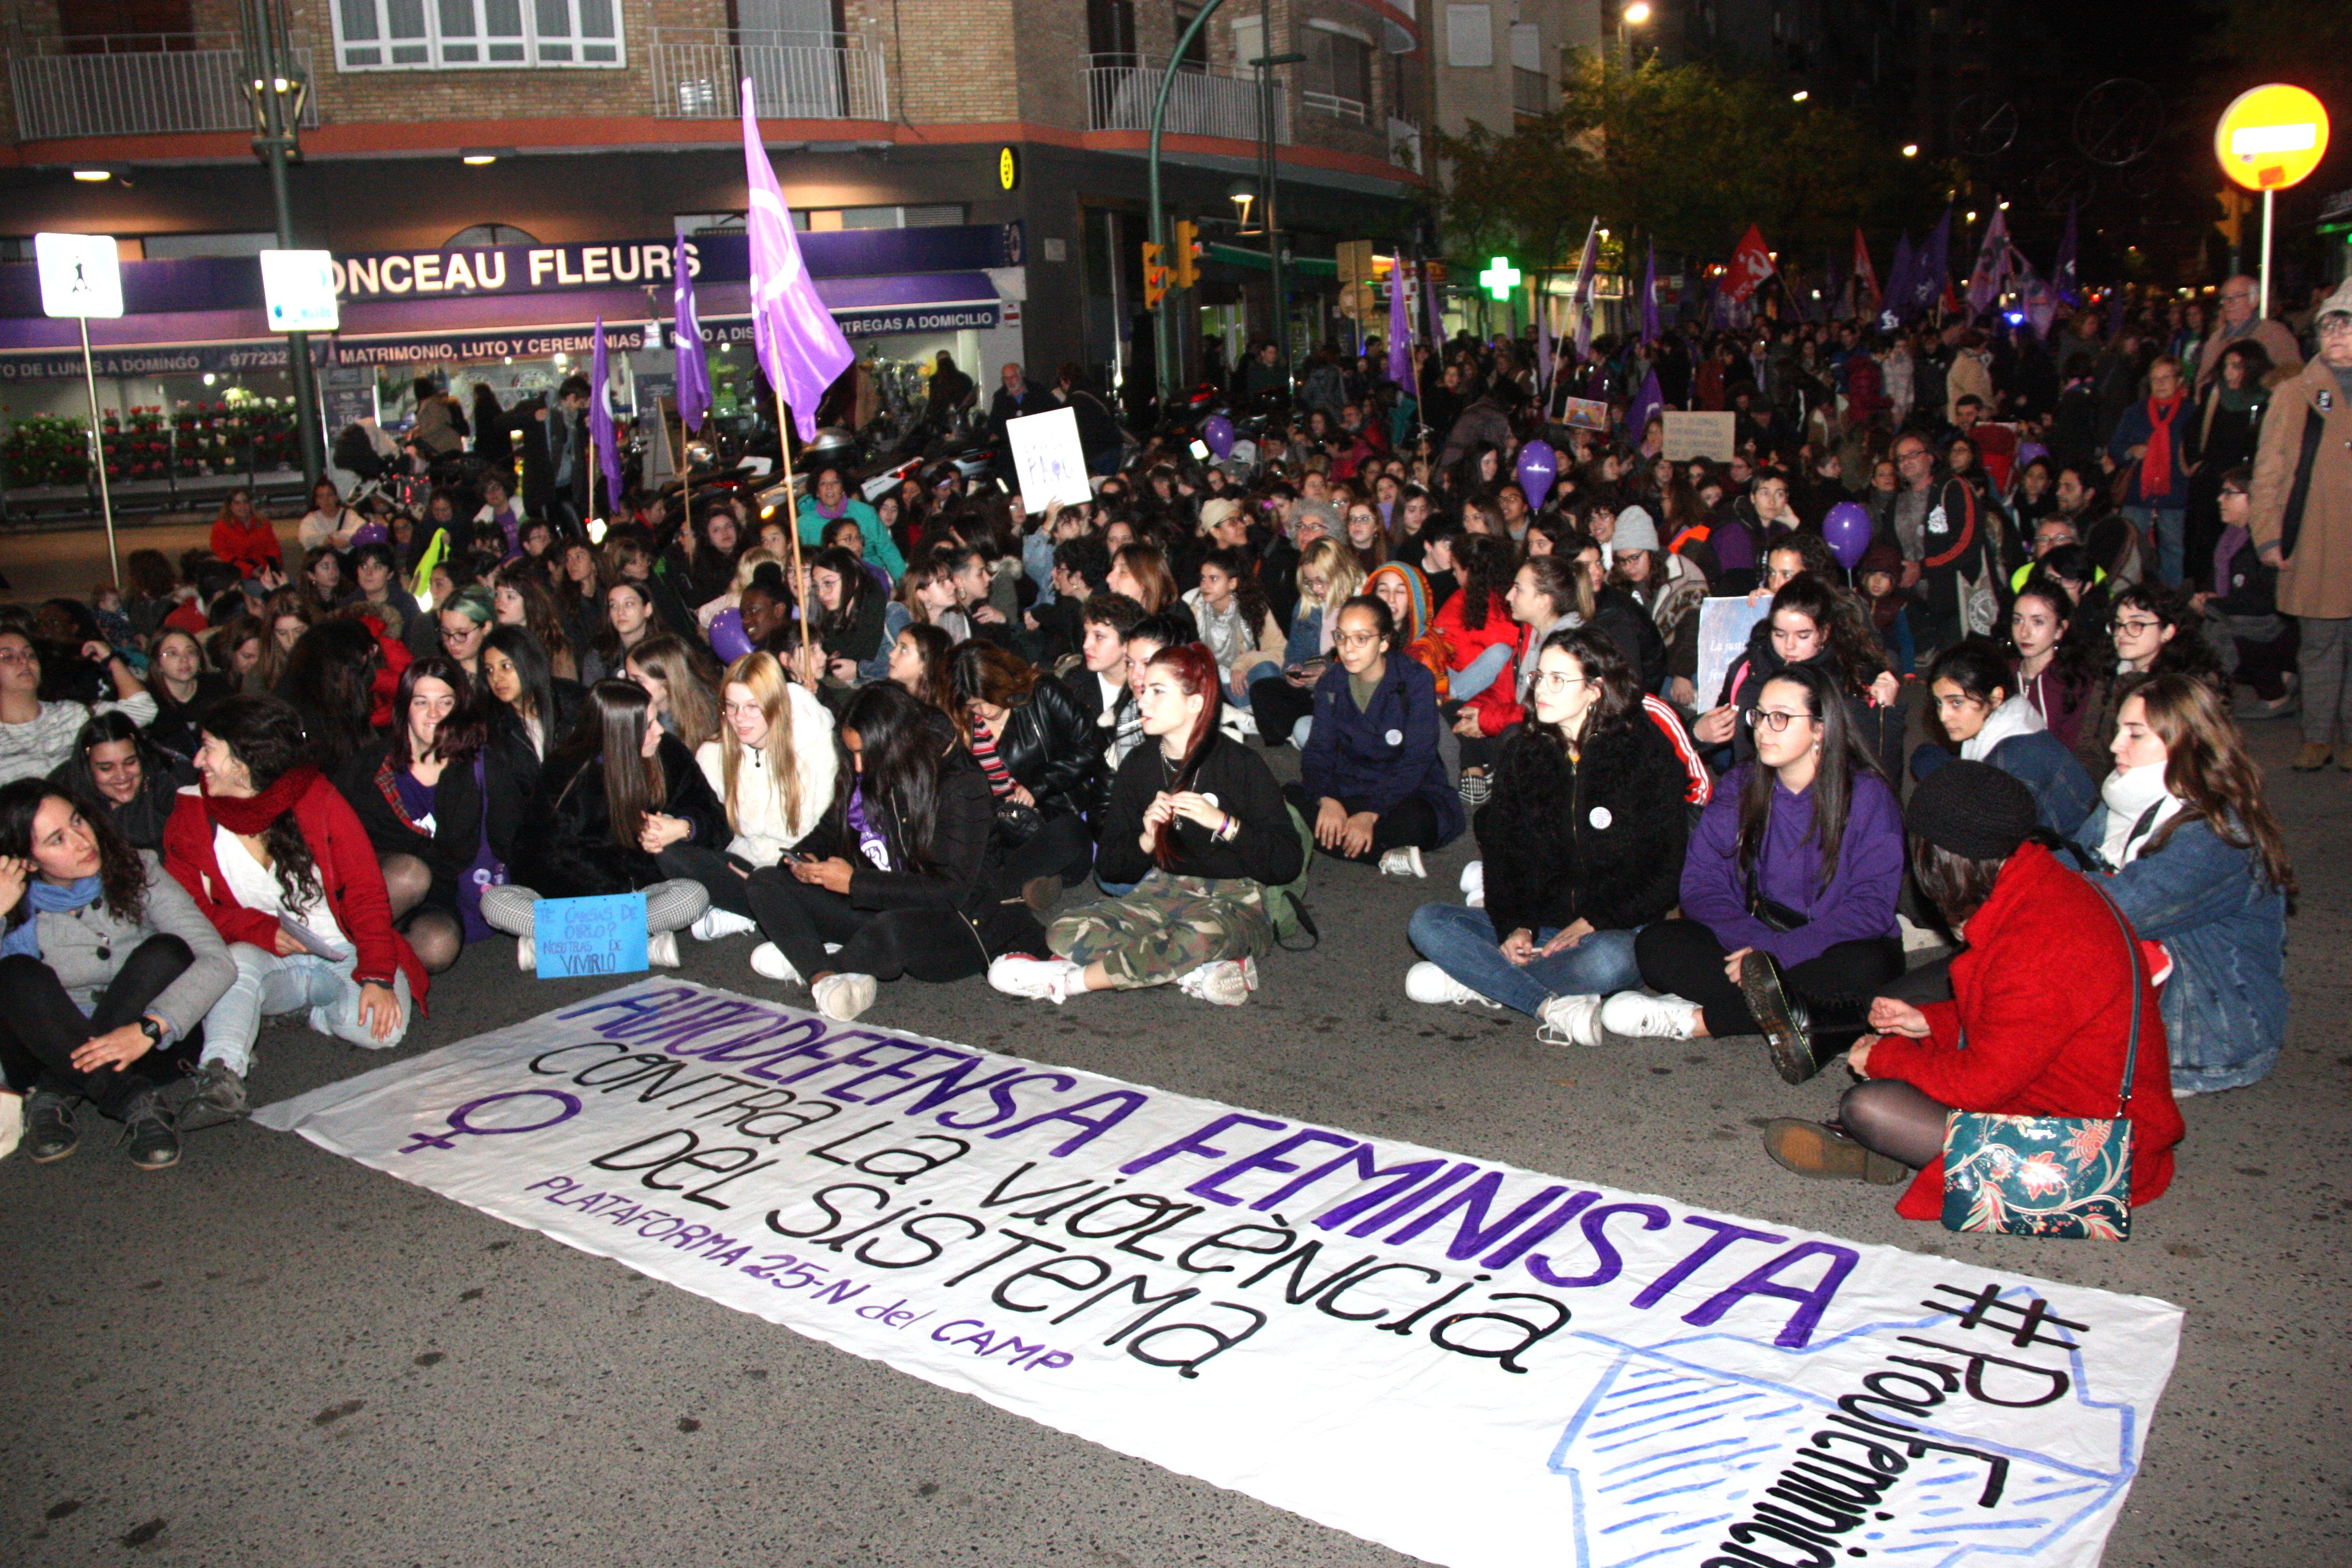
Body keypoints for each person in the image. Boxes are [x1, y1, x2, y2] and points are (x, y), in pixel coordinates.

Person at [1757, 760, 2185, 1219]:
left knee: (1872, 1105)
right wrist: (1931, 1021)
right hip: (2055, 1095)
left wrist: (1886, 1057)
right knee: (1903, 1066)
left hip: (2091, 1150)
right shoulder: (2040, 886)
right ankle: (1893, 1149)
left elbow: (1982, 1083)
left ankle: (1883, 1144)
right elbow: (2029, 1027)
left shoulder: (2039, 943)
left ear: (1940, 857)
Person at [1607, 662, 1905, 1079]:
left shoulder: (1868, 795)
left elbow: (1871, 908)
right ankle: (1811, 1021)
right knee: (1658, 945)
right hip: (1756, 934)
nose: (1763, 729)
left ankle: (1699, 1022)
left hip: (1836, 946)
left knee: (1866, 970)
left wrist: (1779, 956)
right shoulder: (1743, 783)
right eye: (1760, 715)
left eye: (1781, 718)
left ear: (1820, 728)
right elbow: (1700, 883)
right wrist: (1759, 951)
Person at [1406, 625, 1686, 1038]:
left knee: (1610, 962)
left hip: (1610, 929)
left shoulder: (1643, 756)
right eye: (1540, 676)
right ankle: (1546, 1003)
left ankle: (1478, 980)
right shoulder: (1526, 751)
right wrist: (1515, 925)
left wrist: (1594, 921)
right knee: (1427, 921)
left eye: (1559, 679)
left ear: (1594, 690)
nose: (1541, 689)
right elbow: (1503, 852)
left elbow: (1664, 873)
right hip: (1543, 926)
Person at [989, 643, 1304, 1007]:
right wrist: (1146, 839)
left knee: (1195, 939)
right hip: (1162, 893)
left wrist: (1224, 824)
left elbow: (1286, 863)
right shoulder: (1140, 765)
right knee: (1064, 931)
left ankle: (1069, 982)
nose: (1143, 703)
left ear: (1195, 703)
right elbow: (1109, 867)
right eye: (1142, 691)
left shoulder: (1239, 764)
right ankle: (1194, 971)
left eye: (1158, 692)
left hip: (1234, 902)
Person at [165, 695, 424, 1093]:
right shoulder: (192, 815)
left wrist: (377, 975)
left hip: (342, 949)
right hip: (262, 953)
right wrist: (258, 930)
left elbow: (365, 891)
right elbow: (186, 910)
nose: (198, 761)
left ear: (244, 761)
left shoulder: (316, 799)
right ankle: (221, 1071)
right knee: (232, 966)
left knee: (383, 1034)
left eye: (208, 749)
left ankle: (309, 1009)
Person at [741, 682, 1040, 1020]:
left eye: (863, 754)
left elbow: (951, 890)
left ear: (895, 744)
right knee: (764, 881)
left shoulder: (960, 784)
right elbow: (831, 827)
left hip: (952, 923)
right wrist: (803, 858)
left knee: (891, 932)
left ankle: (816, 960)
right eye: (851, 753)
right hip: (878, 901)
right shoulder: (871, 765)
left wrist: (855, 884)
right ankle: (825, 975)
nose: (857, 767)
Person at [0, 780, 238, 1168]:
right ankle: (132, 1100)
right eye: (57, 839)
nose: (81, 841)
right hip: (48, 1047)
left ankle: (53, 1095)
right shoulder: (8, 899)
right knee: (14, 974)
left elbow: (217, 960)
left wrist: (148, 1027)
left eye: (78, 822)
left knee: (169, 951)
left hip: (147, 1045)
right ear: (25, 861)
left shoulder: (137, 867)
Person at [2082, 676, 2293, 1095]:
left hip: (2208, 1038)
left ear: (2184, 743)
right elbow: (2071, 860)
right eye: (2119, 730)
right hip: (2157, 996)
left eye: (2135, 734)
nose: (2115, 746)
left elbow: (2111, 910)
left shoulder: (2214, 835)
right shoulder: (2131, 797)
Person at [484, 679, 723, 970]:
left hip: (639, 899)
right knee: (496, 903)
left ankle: (558, 947)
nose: (660, 730)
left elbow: (718, 821)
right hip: (573, 904)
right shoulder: (566, 769)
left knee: (692, 899)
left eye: (656, 720)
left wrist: (684, 827)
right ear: (620, 734)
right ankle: (642, 948)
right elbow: (534, 858)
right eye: (648, 726)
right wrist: (603, 904)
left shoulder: (669, 754)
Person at [336, 658, 535, 975]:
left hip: (439, 888)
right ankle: (338, 950)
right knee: (409, 873)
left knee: (439, 946)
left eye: (445, 703)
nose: (434, 715)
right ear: (405, 709)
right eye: (421, 703)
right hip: (375, 883)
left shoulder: (480, 765)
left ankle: (366, 963)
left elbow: (518, 838)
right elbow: (331, 836)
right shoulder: (370, 768)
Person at [2248, 279, 2352, 772]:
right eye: (2330, 327)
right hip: (2316, 539)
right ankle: (2317, 736)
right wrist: (2267, 535)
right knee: (2320, 644)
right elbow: (2268, 470)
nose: (2337, 337)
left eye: (2347, 328)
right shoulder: (2296, 393)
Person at [1288, 595, 1459, 879]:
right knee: (1288, 802)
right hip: (1352, 783)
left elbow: (1418, 760)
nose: (1348, 650)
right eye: (1341, 638)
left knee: (1418, 824)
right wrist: (1327, 799)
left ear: (1384, 642)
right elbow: (1319, 751)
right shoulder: (1331, 682)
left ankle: (1361, 836)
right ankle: (1385, 855)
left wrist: (1371, 813)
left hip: (1405, 791)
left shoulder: (1415, 680)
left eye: (1361, 639)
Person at [677, 651, 839, 937]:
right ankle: (755, 910)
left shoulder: (817, 747)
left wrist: (774, 874)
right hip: (742, 863)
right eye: (732, 707)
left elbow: (824, 835)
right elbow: (713, 825)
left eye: (753, 707)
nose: (740, 719)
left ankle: (755, 910)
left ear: (775, 705)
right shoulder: (714, 752)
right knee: (672, 852)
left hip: (795, 871)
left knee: (776, 888)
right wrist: (681, 826)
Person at [1911, 639, 2097, 839]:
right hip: (2050, 839)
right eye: (1939, 703)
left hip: (2068, 857)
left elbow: (1989, 840)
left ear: (1996, 697)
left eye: (1956, 703)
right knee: (1925, 756)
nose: (1943, 716)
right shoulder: (2014, 722)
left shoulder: (2013, 761)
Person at [0, 627, 155, 786]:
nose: (23, 661)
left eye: (29, 654)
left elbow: (143, 710)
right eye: (8, 657)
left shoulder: (71, 715)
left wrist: (111, 659)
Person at [51, 711, 196, 853]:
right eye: (106, 768)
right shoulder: (65, 794)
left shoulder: (171, 782)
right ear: (88, 767)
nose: (122, 776)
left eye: (130, 763)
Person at [2106, 356, 2193, 587]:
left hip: (2174, 493)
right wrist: (2130, 452)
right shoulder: (2136, 412)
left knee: (2173, 549)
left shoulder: (2191, 413)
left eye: (2166, 378)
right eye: (2155, 379)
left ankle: (2171, 597)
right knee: (2129, 547)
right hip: (2138, 493)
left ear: (2179, 381)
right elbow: (2115, 447)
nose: (2161, 384)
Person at [480, 625, 580, 763]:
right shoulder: (490, 725)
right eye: (489, 670)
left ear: (528, 663)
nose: (496, 678)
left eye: (506, 667)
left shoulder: (572, 703)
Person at [797, 467, 906, 579]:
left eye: (835, 482)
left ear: (843, 487)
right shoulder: (804, 525)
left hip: (869, 578)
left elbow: (887, 549)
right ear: (817, 491)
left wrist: (905, 585)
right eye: (823, 483)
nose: (829, 488)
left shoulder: (865, 513)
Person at [807, 545, 891, 687]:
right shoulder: (831, 619)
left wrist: (860, 670)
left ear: (854, 579)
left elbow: (914, 667)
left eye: (828, 583)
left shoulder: (890, 614)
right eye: (817, 586)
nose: (821, 593)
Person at [624, 634, 722, 755]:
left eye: (639, 681)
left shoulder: (713, 713)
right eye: (628, 679)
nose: (629, 686)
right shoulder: (639, 715)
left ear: (667, 682)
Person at [579, 578, 657, 687]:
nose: (620, 612)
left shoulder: (667, 651)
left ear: (647, 609)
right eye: (614, 606)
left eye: (629, 604)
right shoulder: (599, 655)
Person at [209, 488, 281, 581]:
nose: (242, 506)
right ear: (230, 506)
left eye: (245, 502)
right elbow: (223, 557)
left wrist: (271, 571)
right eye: (237, 503)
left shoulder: (264, 524)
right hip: (239, 577)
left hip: (266, 573)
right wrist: (250, 571)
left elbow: (274, 551)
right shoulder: (220, 528)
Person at [297, 478, 368, 553]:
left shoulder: (349, 515)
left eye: (330, 495)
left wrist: (348, 542)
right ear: (316, 501)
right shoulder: (310, 519)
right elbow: (305, 538)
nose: (326, 500)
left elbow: (363, 531)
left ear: (336, 497)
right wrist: (329, 540)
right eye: (321, 496)